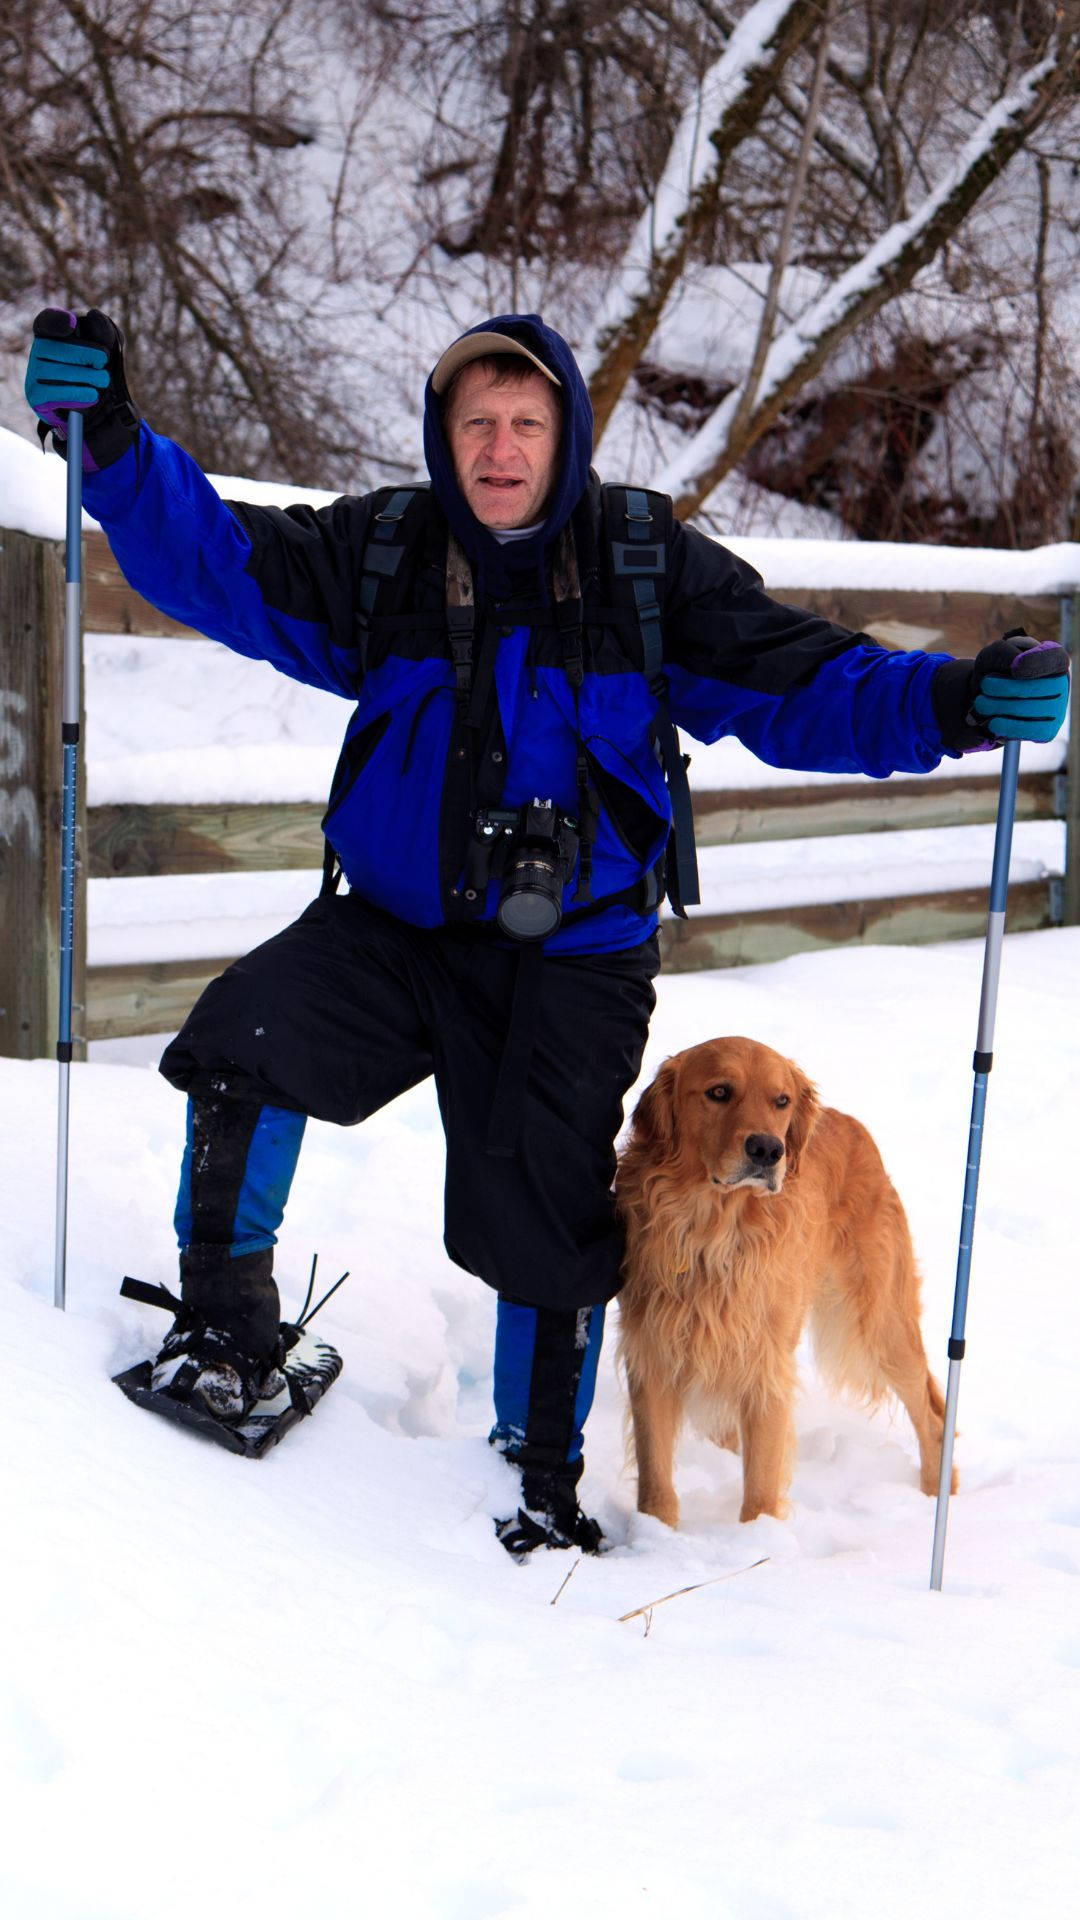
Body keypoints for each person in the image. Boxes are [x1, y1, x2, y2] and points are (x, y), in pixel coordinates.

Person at [25, 307, 1069, 1557]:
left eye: (527, 422)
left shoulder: (642, 565)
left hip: (575, 955)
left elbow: (809, 682)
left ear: (565, 433)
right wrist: (118, 448)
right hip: (398, 931)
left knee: (542, 1182)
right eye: (477, 423)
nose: (502, 447)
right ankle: (227, 1334)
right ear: (444, 437)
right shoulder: (387, 552)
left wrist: (956, 698)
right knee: (247, 1035)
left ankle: (540, 1468)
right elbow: (219, 559)